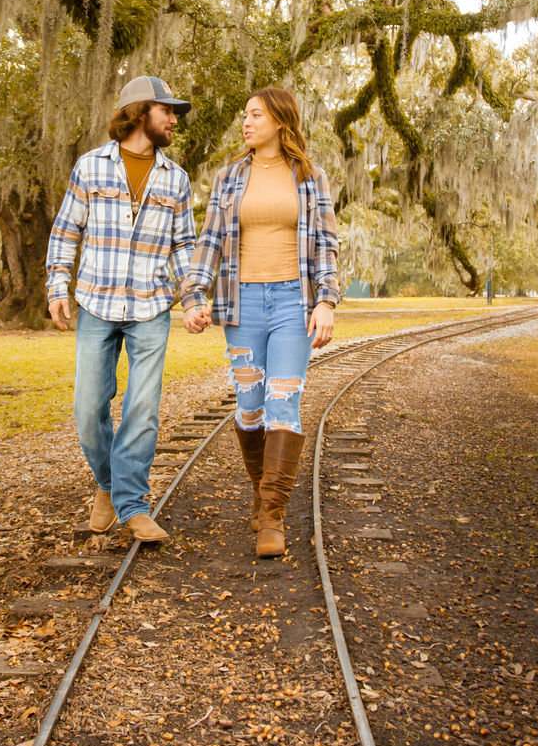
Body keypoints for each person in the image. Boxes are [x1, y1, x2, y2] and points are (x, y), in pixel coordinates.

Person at [46, 76, 208, 544]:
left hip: (151, 306)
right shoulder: (91, 167)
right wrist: (57, 285)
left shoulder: (175, 178)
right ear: (140, 113)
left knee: (143, 408)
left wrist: (193, 300)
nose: (174, 120)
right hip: (96, 300)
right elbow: (66, 231)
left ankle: (133, 505)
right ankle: (109, 484)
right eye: (168, 111)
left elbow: (183, 246)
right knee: (87, 407)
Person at [184, 87, 340, 558]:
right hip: (242, 303)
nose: (246, 123)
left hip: (294, 300)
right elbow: (210, 240)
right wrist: (194, 295)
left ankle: (272, 515)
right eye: (244, 114)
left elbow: (327, 244)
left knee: (283, 403)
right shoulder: (229, 177)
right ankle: (260, 489)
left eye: (255, 114)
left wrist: (326, 302)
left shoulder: (311, 177)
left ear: (279, 120)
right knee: (249, 408)